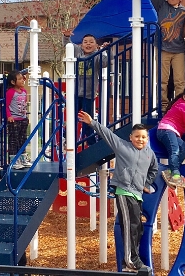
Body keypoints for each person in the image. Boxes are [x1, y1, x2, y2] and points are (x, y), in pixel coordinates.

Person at [77, 110, 157, 272]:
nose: (140, 139)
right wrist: (93, 123)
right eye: (137, 136)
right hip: (124, 191)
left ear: (147, 139)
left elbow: (153, 170)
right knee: (130, 225)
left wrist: (145, 183)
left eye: (143, 137)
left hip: (137, 193)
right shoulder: (123, 147)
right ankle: (130, 260)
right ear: (131, 138)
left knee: (138, 227)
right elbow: (108, 135)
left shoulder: (150, 154)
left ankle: (129, 260)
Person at [144, 0, 185, 107]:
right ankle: (163, 105)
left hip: (178, 50)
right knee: (163, 79)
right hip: (163, 48)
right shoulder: (161, 5)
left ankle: (179, 105)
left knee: (179, 80)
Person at [156, 85, 185, 189]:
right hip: (166, 130)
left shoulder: (182, 105)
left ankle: (169, 171)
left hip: (171, 131)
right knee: (175, 150)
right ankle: (176, 176)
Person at [75, 34, 109, 145]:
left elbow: (105, 63)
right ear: (81, 45)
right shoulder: (78, 53)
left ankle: (91, 142)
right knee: (71, 115)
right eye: (85, 42)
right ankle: (67, 135)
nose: (88, 44)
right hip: (75, 92)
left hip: (88, 94)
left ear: (96, 45)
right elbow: (67, 45)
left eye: (91, 42)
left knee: (87, 119)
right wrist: (66, 37)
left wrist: (105, 50)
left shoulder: (97, 56)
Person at [7, 70, 32, 170]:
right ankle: (14, 160)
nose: (23, 80)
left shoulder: (24, 92)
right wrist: (9, 116)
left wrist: (26, 117)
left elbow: (24, 105)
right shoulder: (10, 92)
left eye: (23, 78)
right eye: (20, 79)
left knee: (23, 139)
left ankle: (23, 158)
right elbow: (6, 106)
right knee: (14, 140)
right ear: (13, 82)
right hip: (14, 120)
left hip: (23, 119)